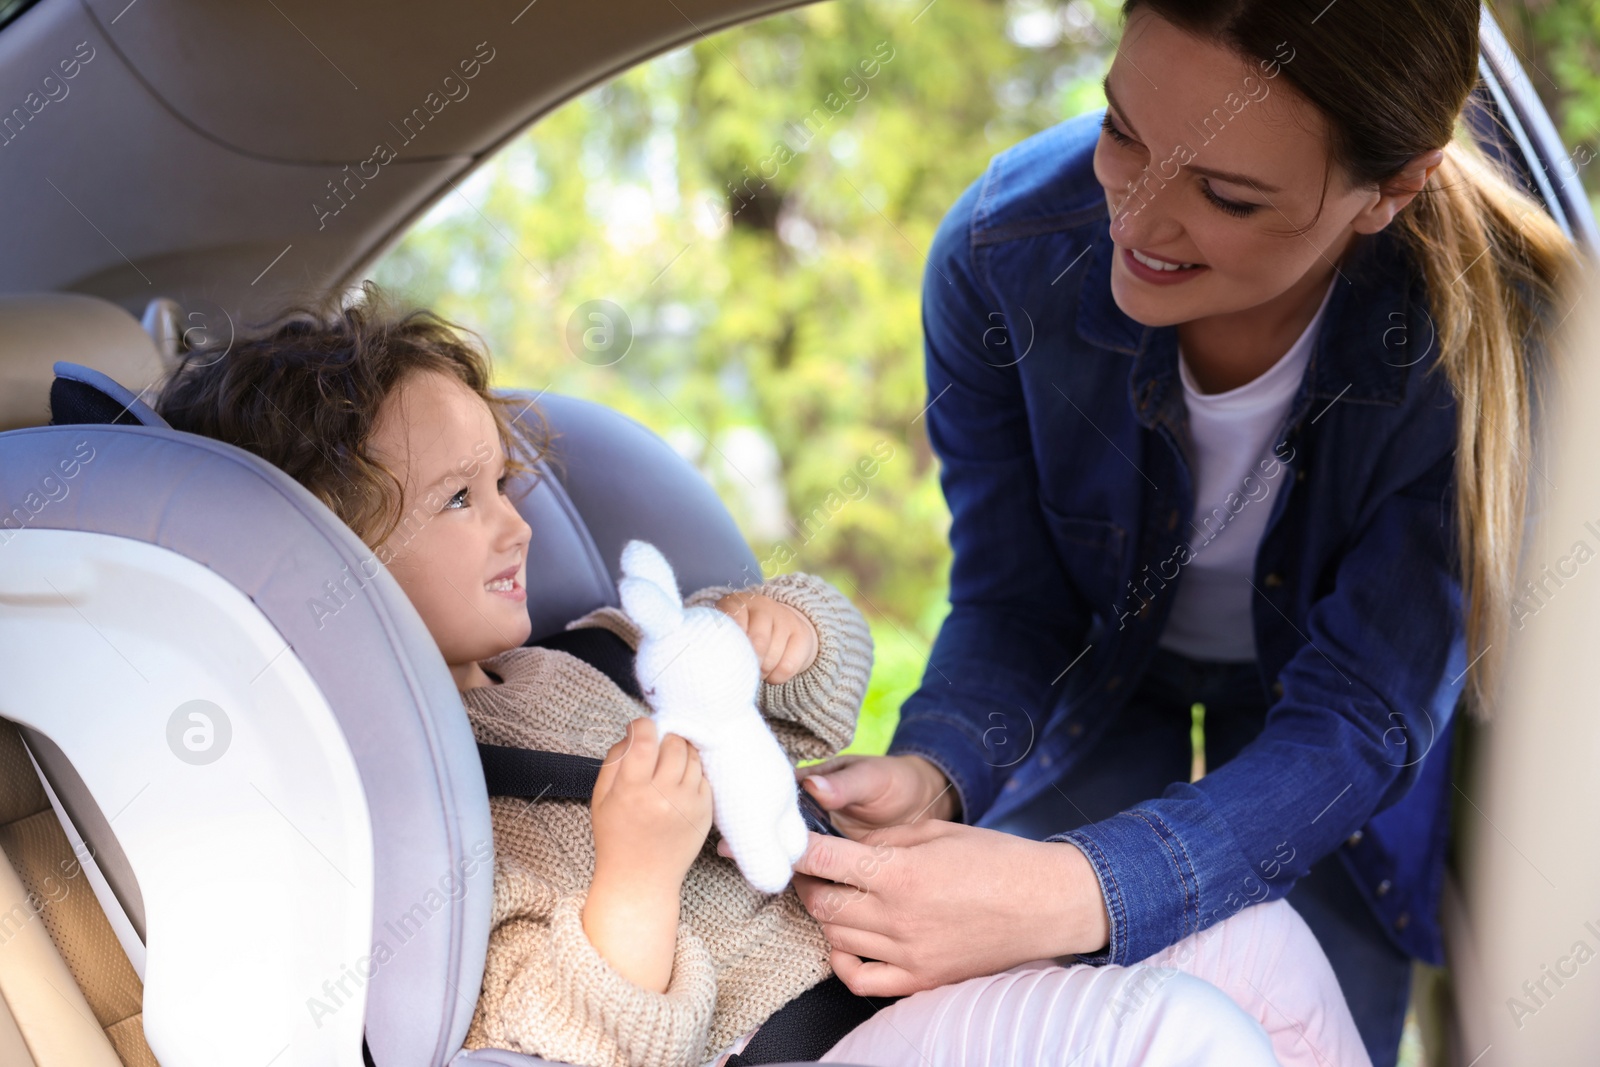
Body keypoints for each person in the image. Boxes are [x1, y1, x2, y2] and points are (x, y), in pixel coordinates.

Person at [155, 288, 1371, 1066]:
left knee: (1260, 940)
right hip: (795, 1043)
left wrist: (772, 625)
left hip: (896, 965)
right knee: (1176, 1038)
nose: (511, 525)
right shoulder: (421, 818)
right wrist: (630, 879)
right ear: (330, 559)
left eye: (503, 484)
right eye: (456, 502)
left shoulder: (584, 644)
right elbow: (571, 1045)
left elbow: (807, 688)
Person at [789, 3, 1584, 1067]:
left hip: (1325, 763)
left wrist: (1080, 891)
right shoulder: (1002, 254)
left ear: (1388, 192)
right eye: (1121, 130)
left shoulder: (1491, 344)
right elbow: (1016, 606)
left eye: (1225, 194)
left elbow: (1353, 718)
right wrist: (938, 765)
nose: (1140, 219)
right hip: (1097, 695)